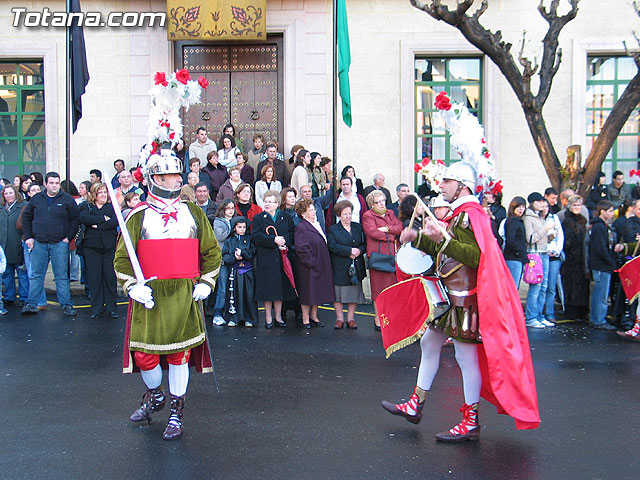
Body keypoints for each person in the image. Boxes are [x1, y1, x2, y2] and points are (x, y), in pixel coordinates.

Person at [382, 160, 539, 442]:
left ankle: (471, 421)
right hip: (451, 296)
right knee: (429, 342)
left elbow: (476, 257)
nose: (441, 186)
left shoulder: (470, 216)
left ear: (462, 185)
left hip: (465, 301)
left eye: (447, 182)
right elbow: (446, 251)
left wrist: (440, 239)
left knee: (465, 359)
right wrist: (417, 237)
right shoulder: (459, 215)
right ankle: (415, 404)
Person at [114, 148, 221, 441]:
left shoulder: (194, 213)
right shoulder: (137, 216)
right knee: (146, 357)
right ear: (154, 178)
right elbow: (123, 260)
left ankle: (177, 410)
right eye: (168, 175)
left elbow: (212, 253)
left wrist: (206, 283)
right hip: (150, 295)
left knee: (179, 355)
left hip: (184, 294)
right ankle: (156, 395)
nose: (175, 180)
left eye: (176, 174)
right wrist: (133, 287)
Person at [20, 172, 78, 316]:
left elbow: (75, 220)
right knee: (36, 275)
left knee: (61, 276)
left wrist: (68, 238)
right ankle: (31, 304)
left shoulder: (67, 200)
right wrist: (29, 237)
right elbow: (26, 218)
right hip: (38, 243)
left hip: (59, 243)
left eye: (57, 183)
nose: (54, 186)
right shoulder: (36, 199)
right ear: (45, 184)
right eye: (51, 183)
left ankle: (66, 305)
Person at [252, 190, 296, 328]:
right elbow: (256, 236)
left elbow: (292, 234)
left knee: (279, 289)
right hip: (266, 258)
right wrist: (273, 240)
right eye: (265, 201)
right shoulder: (258, 218)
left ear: (277, 203)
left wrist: (284, 241)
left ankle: (278, 317)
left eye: (270, 202)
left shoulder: (285, 217)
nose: (267, 204)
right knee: (267, 289)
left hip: (282, 257)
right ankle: (268, 317)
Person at [361, 190, 403, 330]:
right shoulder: (368, 216)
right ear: (371, 204)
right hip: (378, 257)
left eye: (382, 201)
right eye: (377, 202)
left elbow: (400, 228)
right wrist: (392, 236)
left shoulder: (390, 213)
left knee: (392, 289)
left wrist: (387, 228)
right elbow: (373, 232)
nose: (381, 204)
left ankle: (391, 317)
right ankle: (378, 319)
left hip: (392, 255)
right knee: (378, 289)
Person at [78, 183, 118, 319]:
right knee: (95, 278)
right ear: (94, 194)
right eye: (100, 192)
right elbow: (84, 218)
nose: (103, 195)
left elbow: (115, 222)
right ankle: (97, 308)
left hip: (109, 246)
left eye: (105, 192)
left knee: (110, 277)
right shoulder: (86, 206)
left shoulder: (112, 207)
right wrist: (102, 219)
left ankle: (112, 307)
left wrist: (96, 225)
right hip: (91, 247)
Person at [293, 198, 334, 328]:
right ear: (303, 214)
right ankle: (305, 319)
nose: (314, 212)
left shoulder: (316, 224)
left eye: (314, 209)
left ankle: (314, 316)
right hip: (308, 267)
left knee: (317, 292)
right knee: (307, 293)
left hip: (320, 264)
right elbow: (301, 248)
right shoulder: (301, 227)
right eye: (310, 210)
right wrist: (311, 262)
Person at [327, 200, 366, 329]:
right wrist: (348, 251)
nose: (348, 216)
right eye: (345, 214)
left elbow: (364, 243)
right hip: (340, 265)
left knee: (353, 294)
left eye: (350, 213)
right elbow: (332, 246)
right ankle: (339, 319)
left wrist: (359, 251)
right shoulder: (333, 229)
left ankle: (351, 318)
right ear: (339, 215)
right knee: (338, 294)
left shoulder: (357, 227)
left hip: (356, 264)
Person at [523, 192, 554, 328]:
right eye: (539, 201)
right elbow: (530, 238)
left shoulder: (541, 217)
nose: (542, 204)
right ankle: (531, 317)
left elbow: (541, 237)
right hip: (534, 255)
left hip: (543, 252)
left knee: (543, 287)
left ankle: (540, 315)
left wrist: (550, 236)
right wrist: (545, 228)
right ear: (532, 202)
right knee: (535, 286)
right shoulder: (528, 218)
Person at [221, 216, 258, 327]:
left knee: (249, 295)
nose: (242, 229)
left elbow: (253, 252)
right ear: (234, 228)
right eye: (239, 227)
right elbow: (225, 256)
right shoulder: (229, 241)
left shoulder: (249, 239)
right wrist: (234, 257)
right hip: (235, 272)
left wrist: (243, 253)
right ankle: (234, 317)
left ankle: (249, 318)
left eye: (244, 227)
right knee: (234, 294)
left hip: (247, 271)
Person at [588, 200, 618, 330]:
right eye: (610, 211)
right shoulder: (599, 227)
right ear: (602, 211)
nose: (612, 214)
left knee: (599, 293)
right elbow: (600, 249)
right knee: (601, 294)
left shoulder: (601, 226)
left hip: (602, 264)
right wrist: (611, 262)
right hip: (601, 265)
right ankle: (598, 319)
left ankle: (597, 318)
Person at [17, 183, 48, 309]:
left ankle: (40, 301)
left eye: (37, 190)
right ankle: (37, 301)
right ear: (28, 193)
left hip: (42, 242)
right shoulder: (26, 206)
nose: (35, 192)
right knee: (32, 273)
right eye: (32, 190)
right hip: (29, 242)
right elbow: (19, 224)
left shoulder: (46, 205)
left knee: (37, 273)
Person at [560, 195, 590, 321]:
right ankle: (572, 312)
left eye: (579, 205)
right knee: (572, 285)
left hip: (582, 257)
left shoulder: (582, 219)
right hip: (571, 258)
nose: (577, 207)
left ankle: (582, 311)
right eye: (574, 205)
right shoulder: (567, 220)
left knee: (582, 285)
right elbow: (567, 240)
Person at [0, 185, 28, 306]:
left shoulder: (24, 206)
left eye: (11, 193)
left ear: (16, 193)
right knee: (7, 273)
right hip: (4, 245)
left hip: (19, 244)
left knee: (22, 273)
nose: (8, 196)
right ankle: (9, 296)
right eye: (6, 194)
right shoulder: (1, 208)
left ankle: (24, 297)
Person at [211, 200, 236, 326]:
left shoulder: (235, 220)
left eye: (232, 208)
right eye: (228, 208)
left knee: (233, 287)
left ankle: (232, 313)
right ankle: (218, 313)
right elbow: (220, 236)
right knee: (222, 287)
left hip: (234, 258)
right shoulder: (218, 222)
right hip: (223, 259)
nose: (231, 211)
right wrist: (233, 229)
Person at [542, 199, 564, 324]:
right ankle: (538, 312)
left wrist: (556, 250)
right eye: (542, 206)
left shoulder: (554, 218)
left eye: (546, 206)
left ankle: (549, 312)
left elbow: (560, 236)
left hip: (554, 256)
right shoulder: (537, 219)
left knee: (551, 286)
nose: (544, 208)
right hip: (542, 255)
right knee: (541, 286)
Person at [502, 196, 528, 289]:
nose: (521, 209)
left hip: (517, 258)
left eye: (523, 207)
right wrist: (519, 251)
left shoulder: (518, 221)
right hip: (513, 258)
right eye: (518, 207)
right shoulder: (512, 221)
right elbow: (511, 240)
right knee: (512, 287)